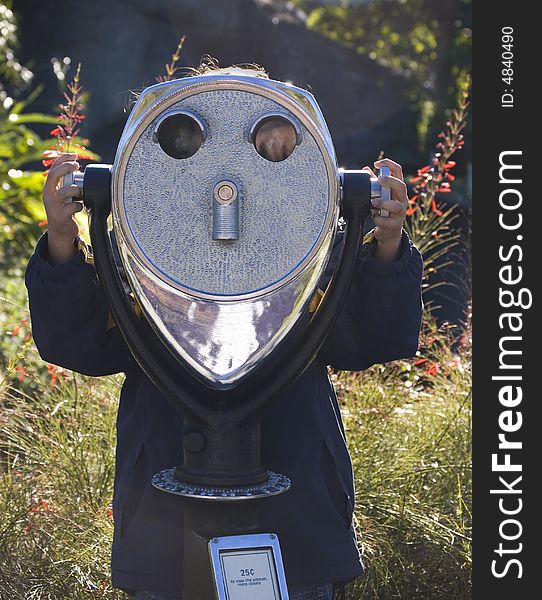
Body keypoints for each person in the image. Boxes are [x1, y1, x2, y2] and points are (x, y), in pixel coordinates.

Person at [25, 73, 423, 600]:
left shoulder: (315, 255)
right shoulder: (143, 267)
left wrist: (388, 244)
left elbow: (372, 341)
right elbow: (77, 345)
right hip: (164, 529)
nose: (225, 195)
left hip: (296, 524)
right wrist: (61, 236)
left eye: (275, 153)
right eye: (184, 151)